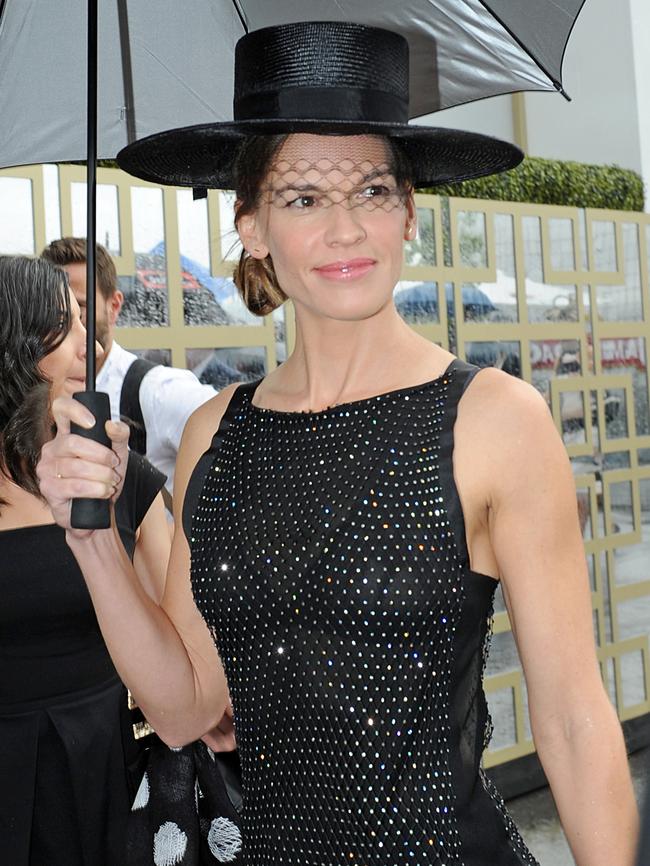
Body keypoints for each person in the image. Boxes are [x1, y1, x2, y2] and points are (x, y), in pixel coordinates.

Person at [37, 21, 639, 866]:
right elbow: (184, 710)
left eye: (371, 192)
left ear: (409, 214)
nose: (346, 230)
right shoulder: (218, 434)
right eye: (304, 198)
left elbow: (575, 716)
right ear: (252, 226)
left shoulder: (495, 419)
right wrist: (93, 543)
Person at [0, 255, 170, 865]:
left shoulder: (125, 478)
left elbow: (182, 621)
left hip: (114, 769)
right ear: (15, 342)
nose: (91, 346)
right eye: (69, 324)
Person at [40, 238, 216, 502]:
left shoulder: (156, 391)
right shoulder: (36, 397)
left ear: (114, 307)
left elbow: (244, 447)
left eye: (82, 308)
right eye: (55, 315)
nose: (67, 327)